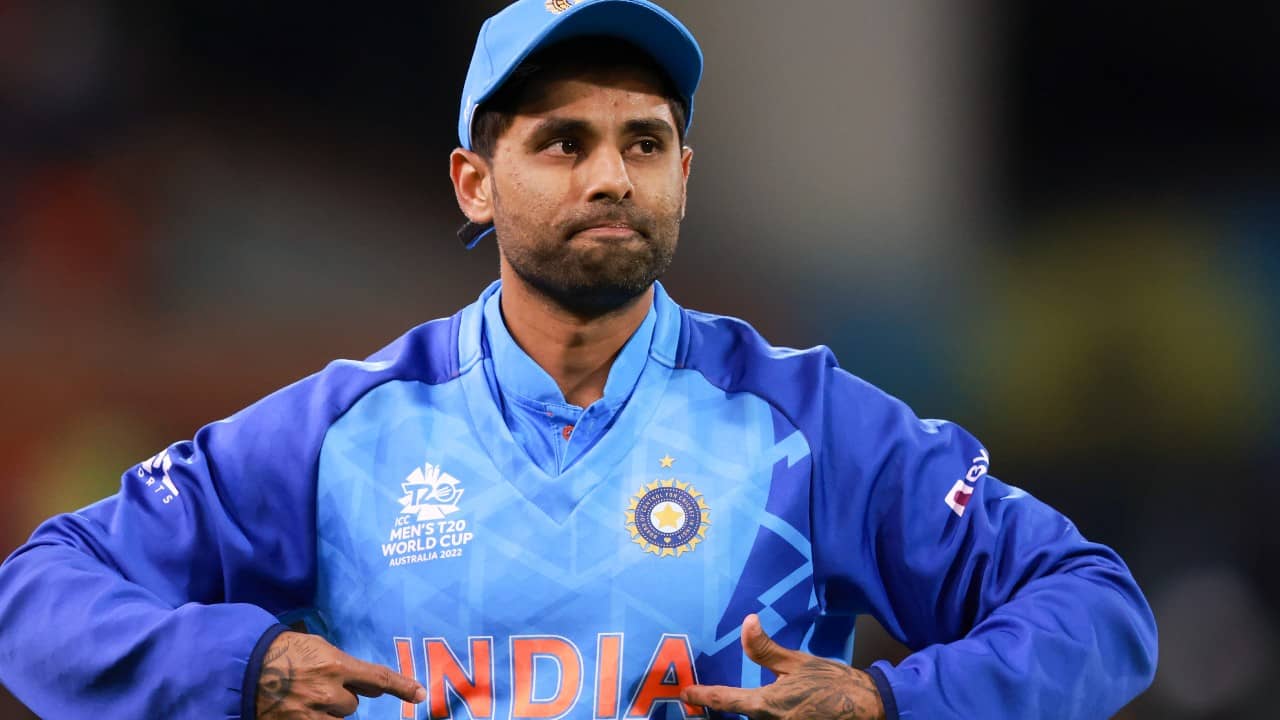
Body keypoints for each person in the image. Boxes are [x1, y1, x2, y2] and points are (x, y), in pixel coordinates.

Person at [0, 1, 1157, 718]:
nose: (610, 176)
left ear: (681, 177)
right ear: (473, 183)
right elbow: (38, 595)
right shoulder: (341, 431)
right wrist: (238, 669)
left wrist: (889, 702)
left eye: (642, 142)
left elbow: (1096, 609)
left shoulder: (806, 425)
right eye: (562, 142)